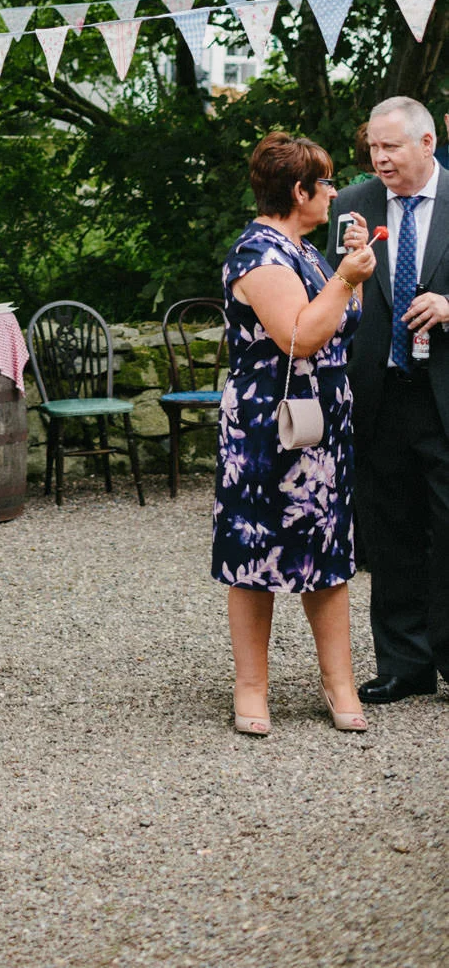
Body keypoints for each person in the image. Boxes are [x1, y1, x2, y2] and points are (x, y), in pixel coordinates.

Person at [212, 130, 377, 735]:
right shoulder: (257, 253)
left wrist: (347, 272)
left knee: (328, 550)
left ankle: (338, 682)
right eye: (326, 182)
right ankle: (251, 687)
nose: (334, 192)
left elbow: (337, 322)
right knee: (256, 549)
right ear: (299, 190)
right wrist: (345, 278)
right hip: (268, 425)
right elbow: (299, 335)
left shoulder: (303, 249)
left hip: (324, 422)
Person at [334, 96, 449, 703]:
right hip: (379, 392)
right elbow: (334, 295)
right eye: (373, 147)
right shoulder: (353, 203)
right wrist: (350, 269)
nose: (378, 158)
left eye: (391, 147)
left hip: (444, 395)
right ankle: (405, 667)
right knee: (391, 529)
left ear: (427, 143)